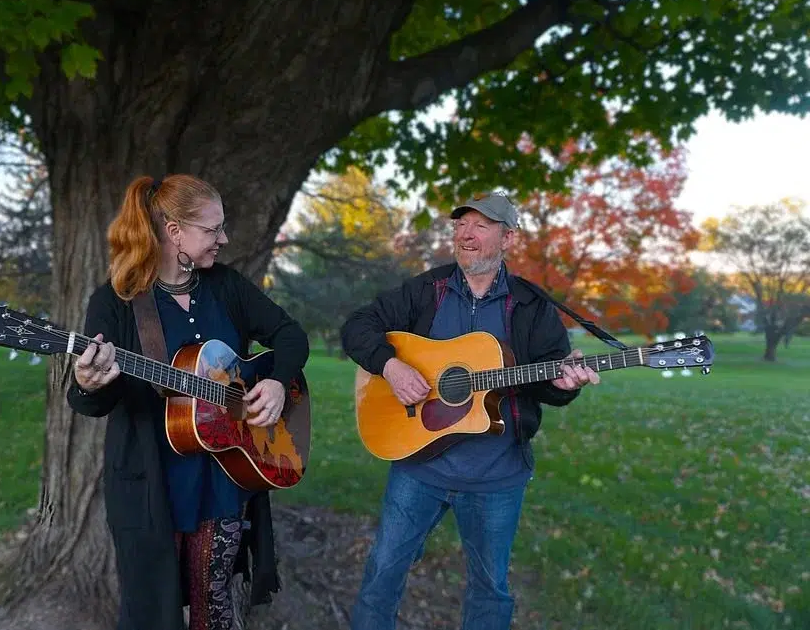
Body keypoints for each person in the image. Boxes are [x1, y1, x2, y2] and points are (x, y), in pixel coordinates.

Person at [339, 191, 601, 630]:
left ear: (508, 238)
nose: (466, 234)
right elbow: (357, 327)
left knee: (490, 590)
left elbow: (551, 385)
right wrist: (391, 365)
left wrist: (565, 383)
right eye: (461, 224)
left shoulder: (533, 306)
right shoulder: (427, 290)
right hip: (419, 466)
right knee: (382, 574)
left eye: (480, 225)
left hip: (496, 477)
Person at [66, 174, 309, 630]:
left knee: (215, 609)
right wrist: (89, 381)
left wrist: (276, 382)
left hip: (223, 478)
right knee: (150, 615)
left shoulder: (226, 287)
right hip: (150, 485)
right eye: (212, 229)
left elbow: (290, 335)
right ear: (174, 231)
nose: (224, 238)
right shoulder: (117, 301)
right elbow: (91, 403)